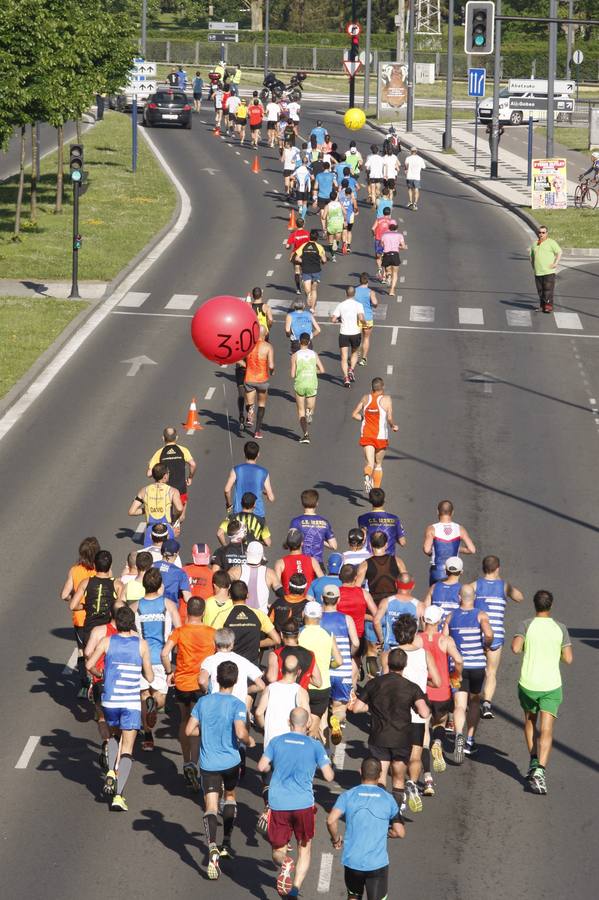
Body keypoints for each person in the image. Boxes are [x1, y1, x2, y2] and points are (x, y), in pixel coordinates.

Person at [186, 661, 255, 878]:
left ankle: (212, 846)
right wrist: (250, 740)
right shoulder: (237, 704)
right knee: (230, 796)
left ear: (216, 678)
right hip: (231, 762)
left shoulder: (203, 702)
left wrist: (205, 732)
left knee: (210, 807)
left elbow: (189, 730)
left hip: (208, 764)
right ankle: (226, 842)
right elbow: (240, 732)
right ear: (235, 681)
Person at [258, 707, 335, 898]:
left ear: (288, 722)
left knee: (278, 849)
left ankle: (285, 862)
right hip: (303, 804)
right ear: (308, 723)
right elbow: (328, 776)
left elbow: (261, 766)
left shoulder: (276, 741)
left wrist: (275, 765)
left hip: (279, 803)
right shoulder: (315, 745)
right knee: (304, 847)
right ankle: (295, 889)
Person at [86, 605, 154, 812]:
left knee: (114, 736)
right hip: (130, 702)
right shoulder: (141, 644)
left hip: (110, 700)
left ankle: (110, 771)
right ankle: (119, 795)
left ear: (116, 622)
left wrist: (102, 674)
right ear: (132, 623)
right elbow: (150, 676)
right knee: (127, 749)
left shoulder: (107, 641)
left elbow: (89, 664)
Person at [348, 648, 430, 816]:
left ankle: (380, 812)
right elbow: (424, 713)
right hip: (402, 739)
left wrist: (372, 706)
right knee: (399, 778)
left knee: (380, 777)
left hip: (379, 737)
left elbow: (356, 709)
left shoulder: (375, 684)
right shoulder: (411, 687)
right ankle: (396, 813)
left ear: (387, 663)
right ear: (405, 665)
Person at [511, 590, 572, 794]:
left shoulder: (526, 625)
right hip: (551, 685)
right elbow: (568, 658)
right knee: (547, 729)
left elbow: (515, 648)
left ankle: (533, 759)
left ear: (535, 605)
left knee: (530, 721)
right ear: (550, 606)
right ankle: (540, 771)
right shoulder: (560, 628)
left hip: (528, 684)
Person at [327, 757, 404, 900]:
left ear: (360, 771)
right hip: (377, 864)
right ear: (380, 774)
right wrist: (388, 833)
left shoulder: (347, 796)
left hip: (352, 862)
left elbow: (331, 820)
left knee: (353, 896)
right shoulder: (389, 799)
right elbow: (400, 832)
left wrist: (336, 839)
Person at [160, 596, 215, 789]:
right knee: (197, 725)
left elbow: (164, 653)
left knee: (184, 720)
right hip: (201, 685)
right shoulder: (212, 632)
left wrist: (169, 672)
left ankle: (185, 761)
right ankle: (194, 763)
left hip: (182, 684)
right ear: (203, 613)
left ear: (188, 612)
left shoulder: (179, 631)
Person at [390, 614, 441, 810]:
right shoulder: (424, 654)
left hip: (396, 711)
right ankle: (412, 782)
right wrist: (422, 682)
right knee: (416, 755)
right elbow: (437, 681)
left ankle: (399, 793)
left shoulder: (391, 654)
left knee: (397, 756)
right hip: (418, 710)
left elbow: (386, 681)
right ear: (414, 634)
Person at [467, 555, 524, 719]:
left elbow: (461, 597)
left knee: (473, 668)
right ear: (498, 568)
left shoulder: (474, 585)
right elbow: (520, 597)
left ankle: (471, 701)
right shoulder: (504, 586)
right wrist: (502, 583)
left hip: (477, 633)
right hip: (496, 634)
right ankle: (487, 704)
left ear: (483, 568)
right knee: (491, 672)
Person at [131, 568, 181, 751]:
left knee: (144, 695)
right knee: (160, 696)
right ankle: (156, 705)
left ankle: (147, 736)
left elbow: (128, 633)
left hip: (141, 658)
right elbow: (179, 629)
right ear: (160, 585)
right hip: (162, 658)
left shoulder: (135, 607)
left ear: (144, 585)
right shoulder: (168, 604)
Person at [445, 584, 494, 762]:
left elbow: (444, 639)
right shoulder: (481, 615)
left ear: (459, 597)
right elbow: (489, 634)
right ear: (474, 597)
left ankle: (458, 733)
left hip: (458, 667)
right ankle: (470, 740)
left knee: (459, 705)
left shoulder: (451, 617)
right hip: (477, 667)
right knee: (474, 702)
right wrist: (486, 645)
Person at [422, 604, 463, 784]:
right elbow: (459, 659)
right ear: (439, 621)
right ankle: (438, 743)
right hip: (442, 692)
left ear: (423, 620)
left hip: (423, 690)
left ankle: (427, 774)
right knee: (440, 722)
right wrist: (456, 675)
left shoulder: (417, 639)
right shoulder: (445, 640)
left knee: (424, 730)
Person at [61, 536, 100, 697]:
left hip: (81, 619)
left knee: (82, 651)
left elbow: (64, 595)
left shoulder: (75, 571)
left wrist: (76, 599)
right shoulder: (101, 569)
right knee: (98, 649)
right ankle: (99, 681)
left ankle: (84, 686)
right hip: (98, 618)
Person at [299, 600, 343, 741]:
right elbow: (339, 661)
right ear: (320, 616)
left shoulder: (299, 633)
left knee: (300, 725)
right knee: (317, 725)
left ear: (303, 614)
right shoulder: (328, 634)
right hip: (323, 686)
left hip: (303, 685)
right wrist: (329, 665)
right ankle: (324, 750)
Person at [321, 585, 359, 741]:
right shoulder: (346, 619)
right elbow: (355, 643)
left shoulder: (317, 619)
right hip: (342, 670)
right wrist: (349, 654)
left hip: (323, 670)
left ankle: (324, 746)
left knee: (322, 711)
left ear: (322, 598)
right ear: (338, 600)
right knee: (340, 708)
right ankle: (336, 719)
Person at [211, 579, 279, 665]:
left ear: (230, 595)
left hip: (230, 666)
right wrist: (255, 644)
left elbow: (211, 639)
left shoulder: (222, 615)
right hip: (251, 666)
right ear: (247, 595)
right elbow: (277, 640)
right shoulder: (259, 614)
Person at [352, 377, 398, 490]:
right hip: (381, 437)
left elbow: (354, 415)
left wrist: (364, 419)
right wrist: (393, 426)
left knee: (369, 463)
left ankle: (367, 475)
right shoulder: (387, 399)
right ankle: (376, 490)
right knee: (378, 464)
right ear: (383, 387)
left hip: (367, 435)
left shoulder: (365, 398)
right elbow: (389, 418)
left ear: (372, 387)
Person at [200, 627, 265, 707]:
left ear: (214, 643)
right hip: (238, 706)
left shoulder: (210, 660)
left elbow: (202, 681)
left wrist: (207, 691)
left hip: (216, 705)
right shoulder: (243, 661)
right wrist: (245, 691)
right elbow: (261, 686)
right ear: (232, 644)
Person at [69, 549, 117, 651]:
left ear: (94, 565)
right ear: (110, 566)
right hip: (108, 629)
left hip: (90, 629)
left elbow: (72, 606)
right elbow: (119, 607)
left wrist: (85, 606)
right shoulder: (117, 584)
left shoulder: (86, 582)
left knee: (89, 656)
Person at [337, 563, 379, 676]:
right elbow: (376, 614)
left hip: (339, 635)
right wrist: (364, 616)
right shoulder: (363, 593)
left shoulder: (336, 593)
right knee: (355, 661)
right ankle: (353, 684)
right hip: (357, 636)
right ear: (355, 577)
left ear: (340, 577)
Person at [423, 500, 476, 585]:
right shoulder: (460, 529)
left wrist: (434, 551)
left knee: (434, 592)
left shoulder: (432, 529)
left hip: (437, 570)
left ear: (437, 512)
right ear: (452, 512)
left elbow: (426, 549)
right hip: (453, 570)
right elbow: (472, 550)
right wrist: (458, 549)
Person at [128, 463, 183, 545]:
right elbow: (179, 508)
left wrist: (147, 509)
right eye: (168, 472)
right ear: (165, 476)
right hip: (166, 529)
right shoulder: (173, 491)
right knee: (168, 552)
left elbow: (131, 512)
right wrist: (175, 518)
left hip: (150, 531)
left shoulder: (144, 490)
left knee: (149, 553)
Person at [224, 440, 275, 519]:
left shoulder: (236, 470)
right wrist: (264, 492)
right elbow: (271, 498)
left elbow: (227, 490)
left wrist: (229, 504)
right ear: (258, 454)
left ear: (244, 454)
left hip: (239, 513)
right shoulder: (263, 472)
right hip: (258, 514)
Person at [357, 531, 407, 609]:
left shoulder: (364, 565)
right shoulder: (398, 561)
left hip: (375, 607)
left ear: (370, 545)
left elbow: (356, 588)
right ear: (386, 545)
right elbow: (406, 582)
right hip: (394, 605)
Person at [291, 334, 325, 444]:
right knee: (310, 407)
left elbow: (292, 374)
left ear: (299, 342)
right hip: (311, 383)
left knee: (300, 411)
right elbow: (322, 370)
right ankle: (309, 412)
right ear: (309, 342)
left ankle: (305, 434)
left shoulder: (295, 355)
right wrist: (313, 371)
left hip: (300, 383)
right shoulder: (314, 354)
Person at [289, 488, 336, 564]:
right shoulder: (324, 522)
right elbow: (333, 546)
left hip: (300, 563)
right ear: (317, 503)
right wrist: (321, 540)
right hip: (317, 562)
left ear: (302, 504)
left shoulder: (296, 521)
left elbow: (291, 542)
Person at [332, 286, 366, 388]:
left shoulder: (341, 305)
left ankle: (346, 378)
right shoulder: (358, 305)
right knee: (354, 353)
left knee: (344, 357)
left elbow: (333, 319)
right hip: (355, 333)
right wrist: (364, 323)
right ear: (354, 294)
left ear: (346, 293)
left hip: (344, 333)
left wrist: (339, 320)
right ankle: (351, 369)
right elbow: (361, 317)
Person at [274, 527, 324, 593]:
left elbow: (276, 586)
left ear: (287, 544)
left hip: (289, 598)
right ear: (302, 543)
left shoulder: (280, 563)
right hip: (308, 598)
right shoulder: (312, 561)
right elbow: (322, 582)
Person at [358, 487, 406, 553]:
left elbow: (362, 540)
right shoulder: (395, 519)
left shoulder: (362, 518)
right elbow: (402, 542)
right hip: (389, 557)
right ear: (384, 500)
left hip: (370, 556)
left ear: (370, 500)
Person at [235, 540, 279, 612]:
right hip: (262, 615)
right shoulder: (270, 573)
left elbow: (222, 587)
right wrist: (274, 606)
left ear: (246, 554)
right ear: (262, 555)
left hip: (240, 615)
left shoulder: (235, 571)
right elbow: (281, 593)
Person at [422, 555, 463, 625]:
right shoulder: (463, 590)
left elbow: (424, 610)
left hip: (435, 630)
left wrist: (426, 629)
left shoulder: (434, 587)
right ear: (461, 572)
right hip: (453, 629)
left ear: (446, 571)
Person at [530, 225, 561, 314]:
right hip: (538, 272)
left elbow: (559, 252)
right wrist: (533, 267)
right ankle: (542, 306)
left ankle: (548, 306)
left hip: (548, 271)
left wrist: (555, 263)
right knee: (540, 290)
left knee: (548, 289)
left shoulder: (551, 242)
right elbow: (532, 257)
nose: (541, 234)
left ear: (547, 233)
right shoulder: (535, 244)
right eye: (539, 232)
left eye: (543, 232)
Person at [152, 538, 191, 608]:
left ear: (161, 552)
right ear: (176, 554)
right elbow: (187, 598)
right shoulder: (180, 573)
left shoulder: (151, 566)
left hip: (152, 607)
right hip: (170, 609)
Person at [295, 229, 327, 311]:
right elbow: (324, 260)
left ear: (309, 237)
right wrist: (322, 260)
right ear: (317, 238)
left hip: (306, 270)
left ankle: (309, 295)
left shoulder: (304, 246)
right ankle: (312, 308)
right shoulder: (319, 247)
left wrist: (303, 261)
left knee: (308, 290)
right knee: (314, 289)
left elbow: (297, 258)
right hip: (316, 270)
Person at [354, 273, 378, 367]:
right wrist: (373, 305)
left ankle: (357, 352)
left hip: (357, 317)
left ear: (359, 281)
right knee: (366, 338)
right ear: (367, 281)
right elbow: (375, 303)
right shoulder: (370, 292)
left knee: (357, 336)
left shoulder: (355, 290)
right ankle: (363, 359)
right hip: (367, 317)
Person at [183, 542, 214, 608]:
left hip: (185, 610)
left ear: (193, 555)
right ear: (208, 556)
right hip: (204, 610)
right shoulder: (212, 574)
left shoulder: (183, 571)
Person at [381, 222, 406, 298]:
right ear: (396, 228)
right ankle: (392, 290)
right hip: (395, 255)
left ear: (389, 227)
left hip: (387, 254)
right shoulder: (399, 235)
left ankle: (388, 275)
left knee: (387, 269)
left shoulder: (384, 235)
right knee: (395, 273)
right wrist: (398, 247)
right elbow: (403, 246)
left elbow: (381, 244)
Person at [286, 221, 312, 295]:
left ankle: (298, 289)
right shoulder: (307, 233)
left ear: (296, 225)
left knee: (297, 271)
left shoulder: (294, 234)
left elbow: (287, 246)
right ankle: (306, 285)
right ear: (303, 225)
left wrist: (289, 247)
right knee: (305, 271)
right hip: (306, 254)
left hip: (296, 254)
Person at [371, 207, 396, 280]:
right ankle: (384, 275)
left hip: (378, 239)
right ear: (389, 213)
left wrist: (374, 235)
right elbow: (394, 231)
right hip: (387, 241)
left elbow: (373, 228)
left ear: (383, 212)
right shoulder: (391, 221)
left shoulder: (379, 220)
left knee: (378, 256)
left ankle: (379, 268)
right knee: (386, 257)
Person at [313, 160, 337, 230]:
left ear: (323, 167)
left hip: (321, 196)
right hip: (330, 196)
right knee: (329, 212)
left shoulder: (318, 175)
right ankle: (329, 227)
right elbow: (336, 185)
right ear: (329, 167)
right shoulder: (332, 175)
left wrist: (315, 199)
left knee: (322, 212)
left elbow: (315, 187)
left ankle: (324, 228)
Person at [323, 190, 345, 261]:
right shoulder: (340, 204)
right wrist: (344, 219)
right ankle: (336, 242)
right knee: (337, 238)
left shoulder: (327, 206)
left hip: (331, 225)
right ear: (336, 197)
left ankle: (333, 256)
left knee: (330, 242)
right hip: (339, 224)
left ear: (330, 197)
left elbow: (323, 217)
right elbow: (345, 212)